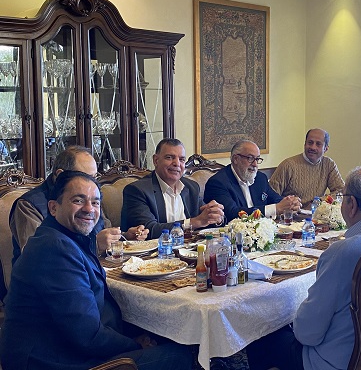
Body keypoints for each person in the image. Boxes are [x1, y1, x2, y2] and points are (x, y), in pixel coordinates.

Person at [0, 171, 193, 370]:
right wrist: (135, 344)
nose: (89, 209)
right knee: (185, 354)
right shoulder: (55, 248)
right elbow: (88, 335)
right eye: (78, 200)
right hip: (53, 361)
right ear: (53, 207)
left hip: (65, 348)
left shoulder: (67, 238)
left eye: (95, 202)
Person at [247, 165, 361, 370]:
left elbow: (307, 334)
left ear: (351, 204)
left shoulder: (343, 252)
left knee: (260, 333)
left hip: (339, 363)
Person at [9, 145, 146, 264]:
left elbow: (104, 230)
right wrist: (95, 245)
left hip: (97, 267)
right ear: (60, 175)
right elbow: (38, 257)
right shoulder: (28, 205)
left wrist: (123, 237)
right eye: (86, 177)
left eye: (95, 177)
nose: (92, 184)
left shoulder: (90, 197)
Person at [121, 138, 224, 238]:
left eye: (181, 159)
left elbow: (205, 219)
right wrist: (195, 222)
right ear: (156, 160)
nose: (177, 163)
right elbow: (149, 230)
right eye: (169, 157)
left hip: (190, 247)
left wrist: (216, 217)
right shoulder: (137, 190)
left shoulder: (191, 187)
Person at [204, 139, 301, 221]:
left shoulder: (260, 178)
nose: (255, 164)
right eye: (250, 158)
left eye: (257, 159)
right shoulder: (218, 183)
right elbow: (232, 213)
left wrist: (290, 203)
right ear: (236, 159)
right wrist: (275, 209)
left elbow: (275, 199)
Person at [269, 128, 345, 209]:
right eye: (310, 142)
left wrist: (318, 202)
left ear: (325, 148)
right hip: (293, 214)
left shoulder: (329, 164)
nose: (313, 147)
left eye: (318, 144)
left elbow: (341, 191)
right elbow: (270, 196)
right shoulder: (288, 165)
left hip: (316, 213)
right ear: (305, 144)